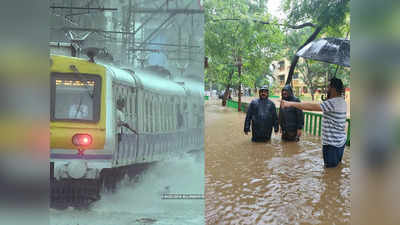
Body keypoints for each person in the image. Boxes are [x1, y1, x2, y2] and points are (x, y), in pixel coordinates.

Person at [281, 77, 347, 168]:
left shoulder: (333, 103)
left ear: (333, 88)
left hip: (332, 145)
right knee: (336, 170)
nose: (327, 89)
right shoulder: (341, 101)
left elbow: (311, 106)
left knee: (329, 172)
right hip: (340, 142)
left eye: (328, 87)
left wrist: (290, 104)